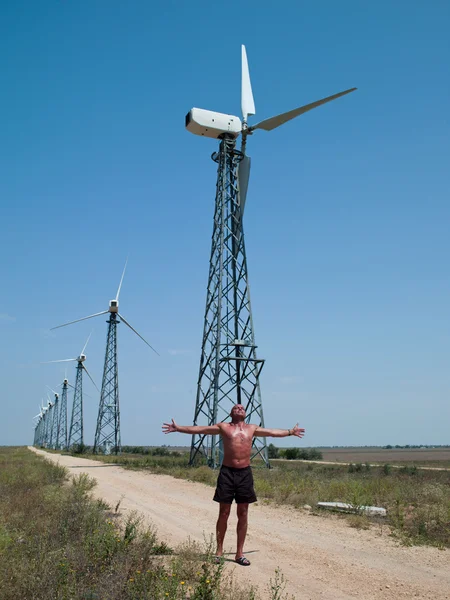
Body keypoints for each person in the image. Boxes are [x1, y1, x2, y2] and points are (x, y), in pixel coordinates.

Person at [162, 404, 305, 567]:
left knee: (243, 513)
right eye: (235, 407)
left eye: (242, 408)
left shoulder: (252, 428)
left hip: (244, 473)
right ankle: (219, 552)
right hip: (227, 473)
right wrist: (179, 428)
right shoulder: (223, 427)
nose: (239, 408)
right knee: (224, 512)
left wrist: (290, 432)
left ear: (245, 413)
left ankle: (239, 554)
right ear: (231, 413)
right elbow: (201, 429)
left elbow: (272, 432)